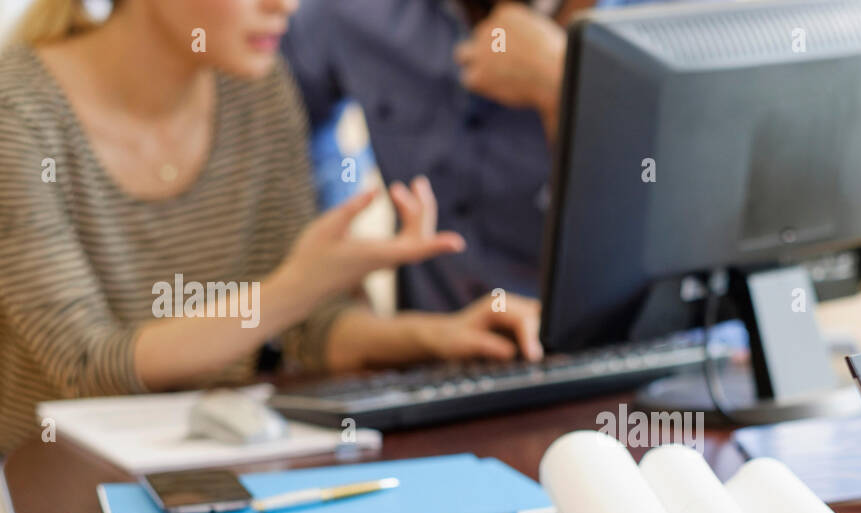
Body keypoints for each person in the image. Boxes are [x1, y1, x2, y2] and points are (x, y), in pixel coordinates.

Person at [0, 0, 543, 456]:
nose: (286, 6)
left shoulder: (255, 89)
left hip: (227, 465)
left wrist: (436, 337)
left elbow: (307, 328)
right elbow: (87, 367)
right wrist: (297, 286)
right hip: (52, 489)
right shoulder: (18, 114)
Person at [281, 0, 665, 314]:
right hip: (431, 363)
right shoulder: (350, 14)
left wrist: (569, 85)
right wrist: (336, 294)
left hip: (635, 363)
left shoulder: (677, 19)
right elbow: (290, 128)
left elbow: (688, 227)